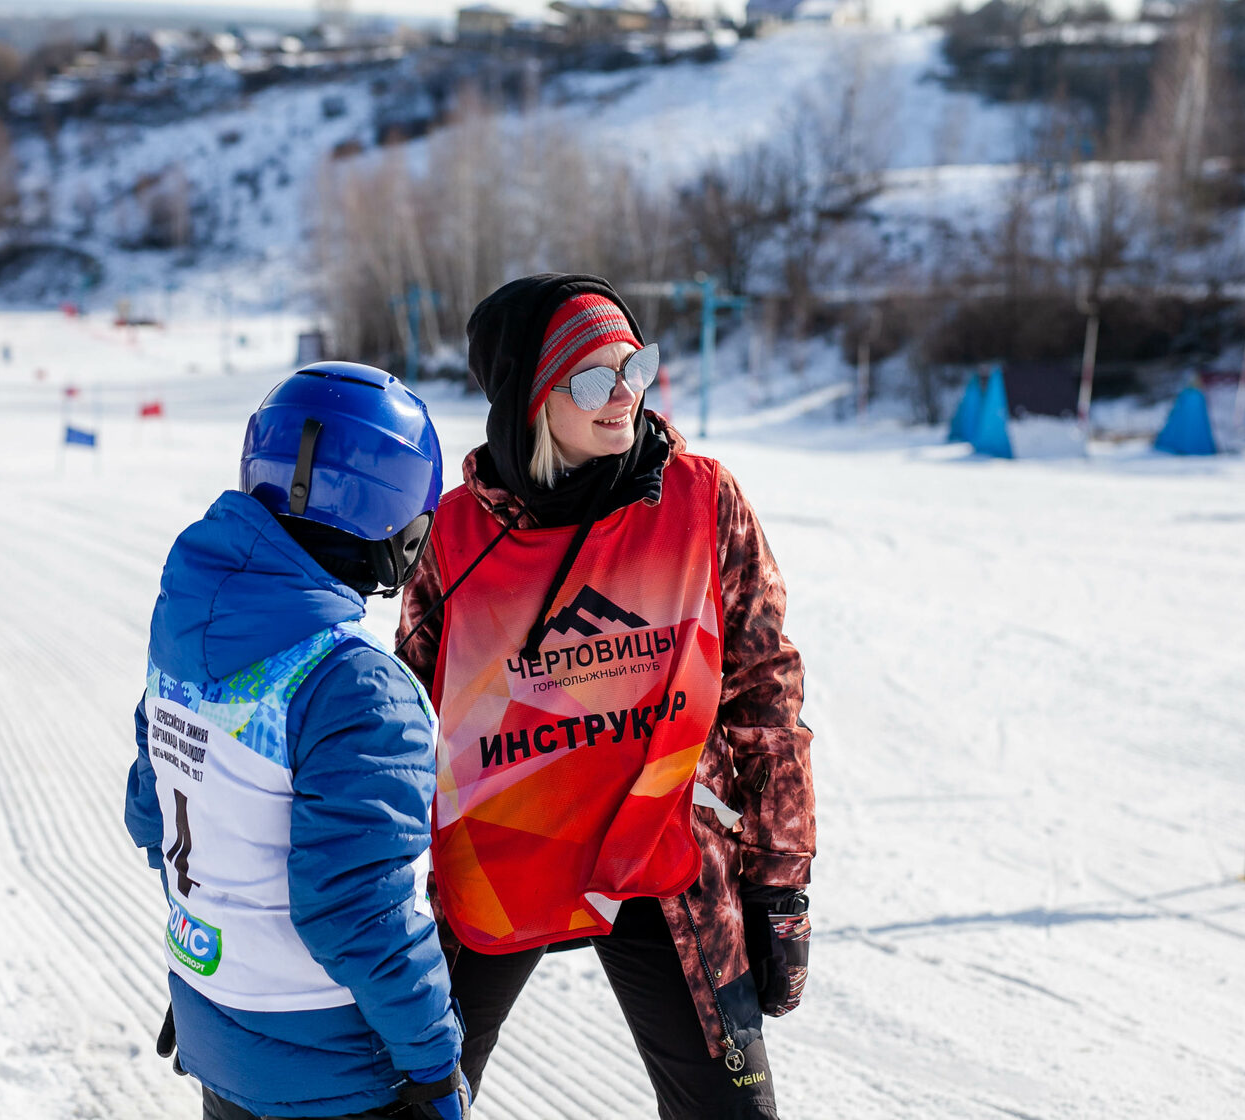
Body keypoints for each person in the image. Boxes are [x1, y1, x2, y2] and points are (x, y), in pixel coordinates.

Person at [397, 274, 816, 1120]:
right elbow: (399, 719)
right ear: (531, 398)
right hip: (499, 871)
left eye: (635, 365)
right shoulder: (455, 536)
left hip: (660, 865)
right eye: (592, 378)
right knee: (402, 1104)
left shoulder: (702, 501)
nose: (624, 394)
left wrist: (780, 880)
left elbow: (766, 691)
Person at [124, 362, 468, 1120]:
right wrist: (435, 1066)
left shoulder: (187, 633)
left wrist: (210, 987)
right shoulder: (354, 686)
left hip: (218, 1026)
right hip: (334, 1067)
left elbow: (158, 820)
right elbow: (358, 910)